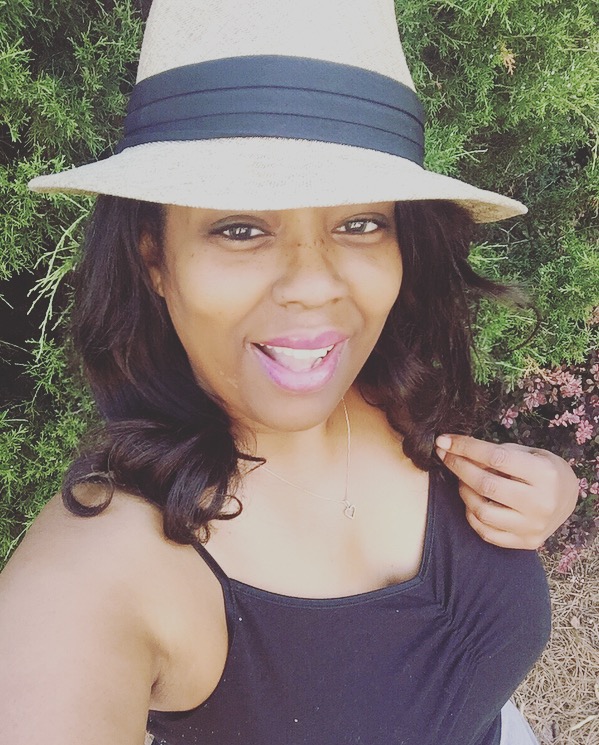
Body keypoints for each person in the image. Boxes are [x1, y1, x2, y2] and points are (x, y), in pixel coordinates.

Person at [0, 1, 579, 744]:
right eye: (241, 228)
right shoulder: (95, 574)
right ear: (154, 259)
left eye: (360, 223)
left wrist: (541, 492)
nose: (312, 285)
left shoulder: (390, 391)